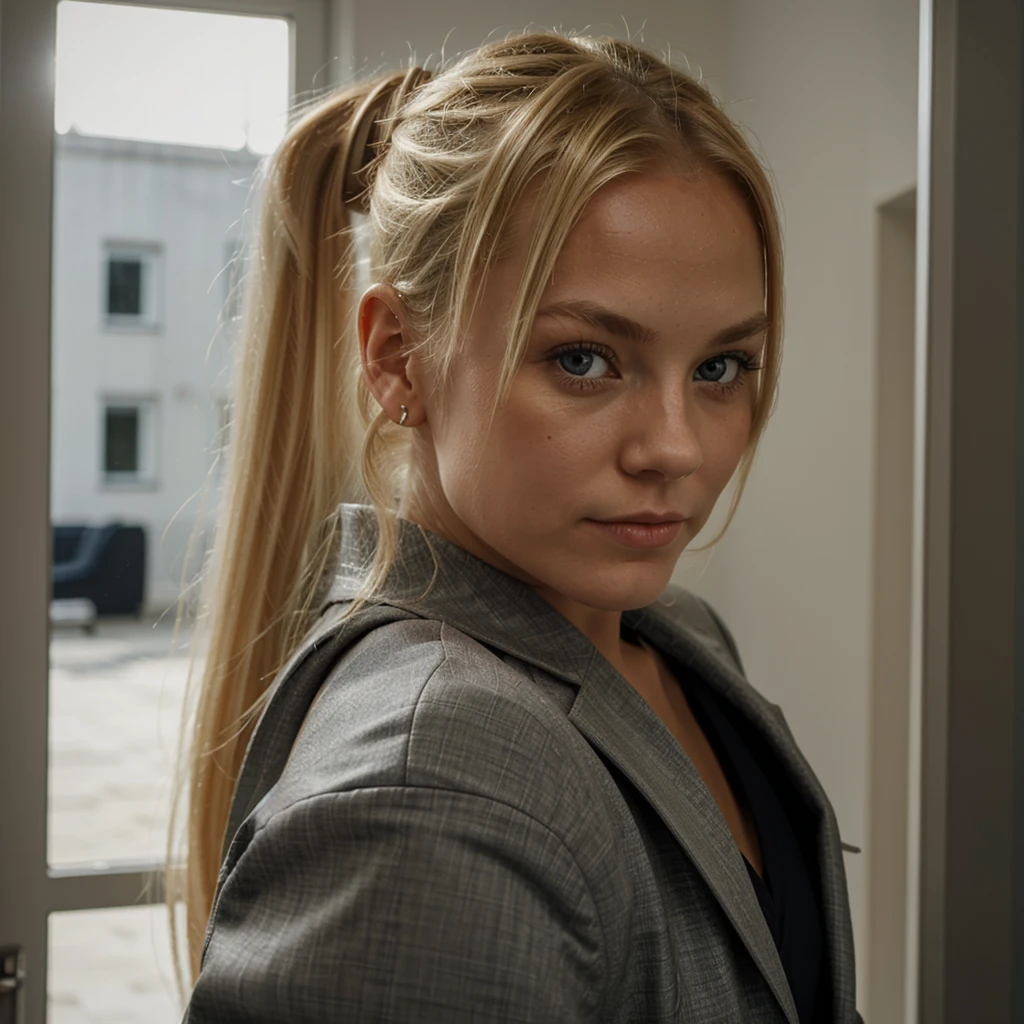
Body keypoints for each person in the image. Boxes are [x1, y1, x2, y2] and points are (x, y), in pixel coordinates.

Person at [169, 30, 861, 1023]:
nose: (676, 447)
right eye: (584, 358)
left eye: (719, 368)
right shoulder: (429, 783)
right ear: (399, 357)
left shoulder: (681, 639)